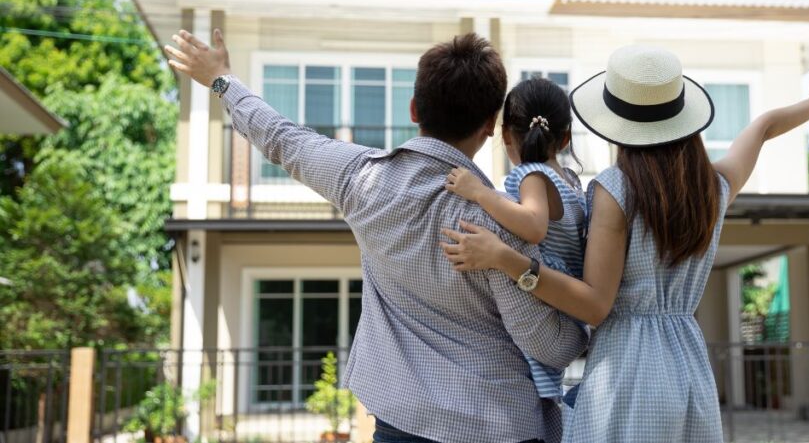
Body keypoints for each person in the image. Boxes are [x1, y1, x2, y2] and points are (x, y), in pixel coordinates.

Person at [165, 30, 589, 443]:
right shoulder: (497, 226)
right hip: (496, 424)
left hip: (399, 422)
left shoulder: (359, 178)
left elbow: (282, 139)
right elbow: (551, 347)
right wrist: (582, 328)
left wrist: (221, 81)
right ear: (490, 126)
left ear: (413, 109)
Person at [441, 45, 809, 442]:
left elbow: (594, 304)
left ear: (617, 124)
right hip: (690, 367)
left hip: (625, 375)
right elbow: (762, 127)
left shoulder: (614, 190)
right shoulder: (712, 186)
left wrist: (507, 260)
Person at [445, 77, 587, 403]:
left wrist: (479, 192)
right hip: (568, 303)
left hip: (547, 298)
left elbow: (534, 227)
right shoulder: (571, 180)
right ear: (565, 138)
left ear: (506, 135)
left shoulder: (531, 175)